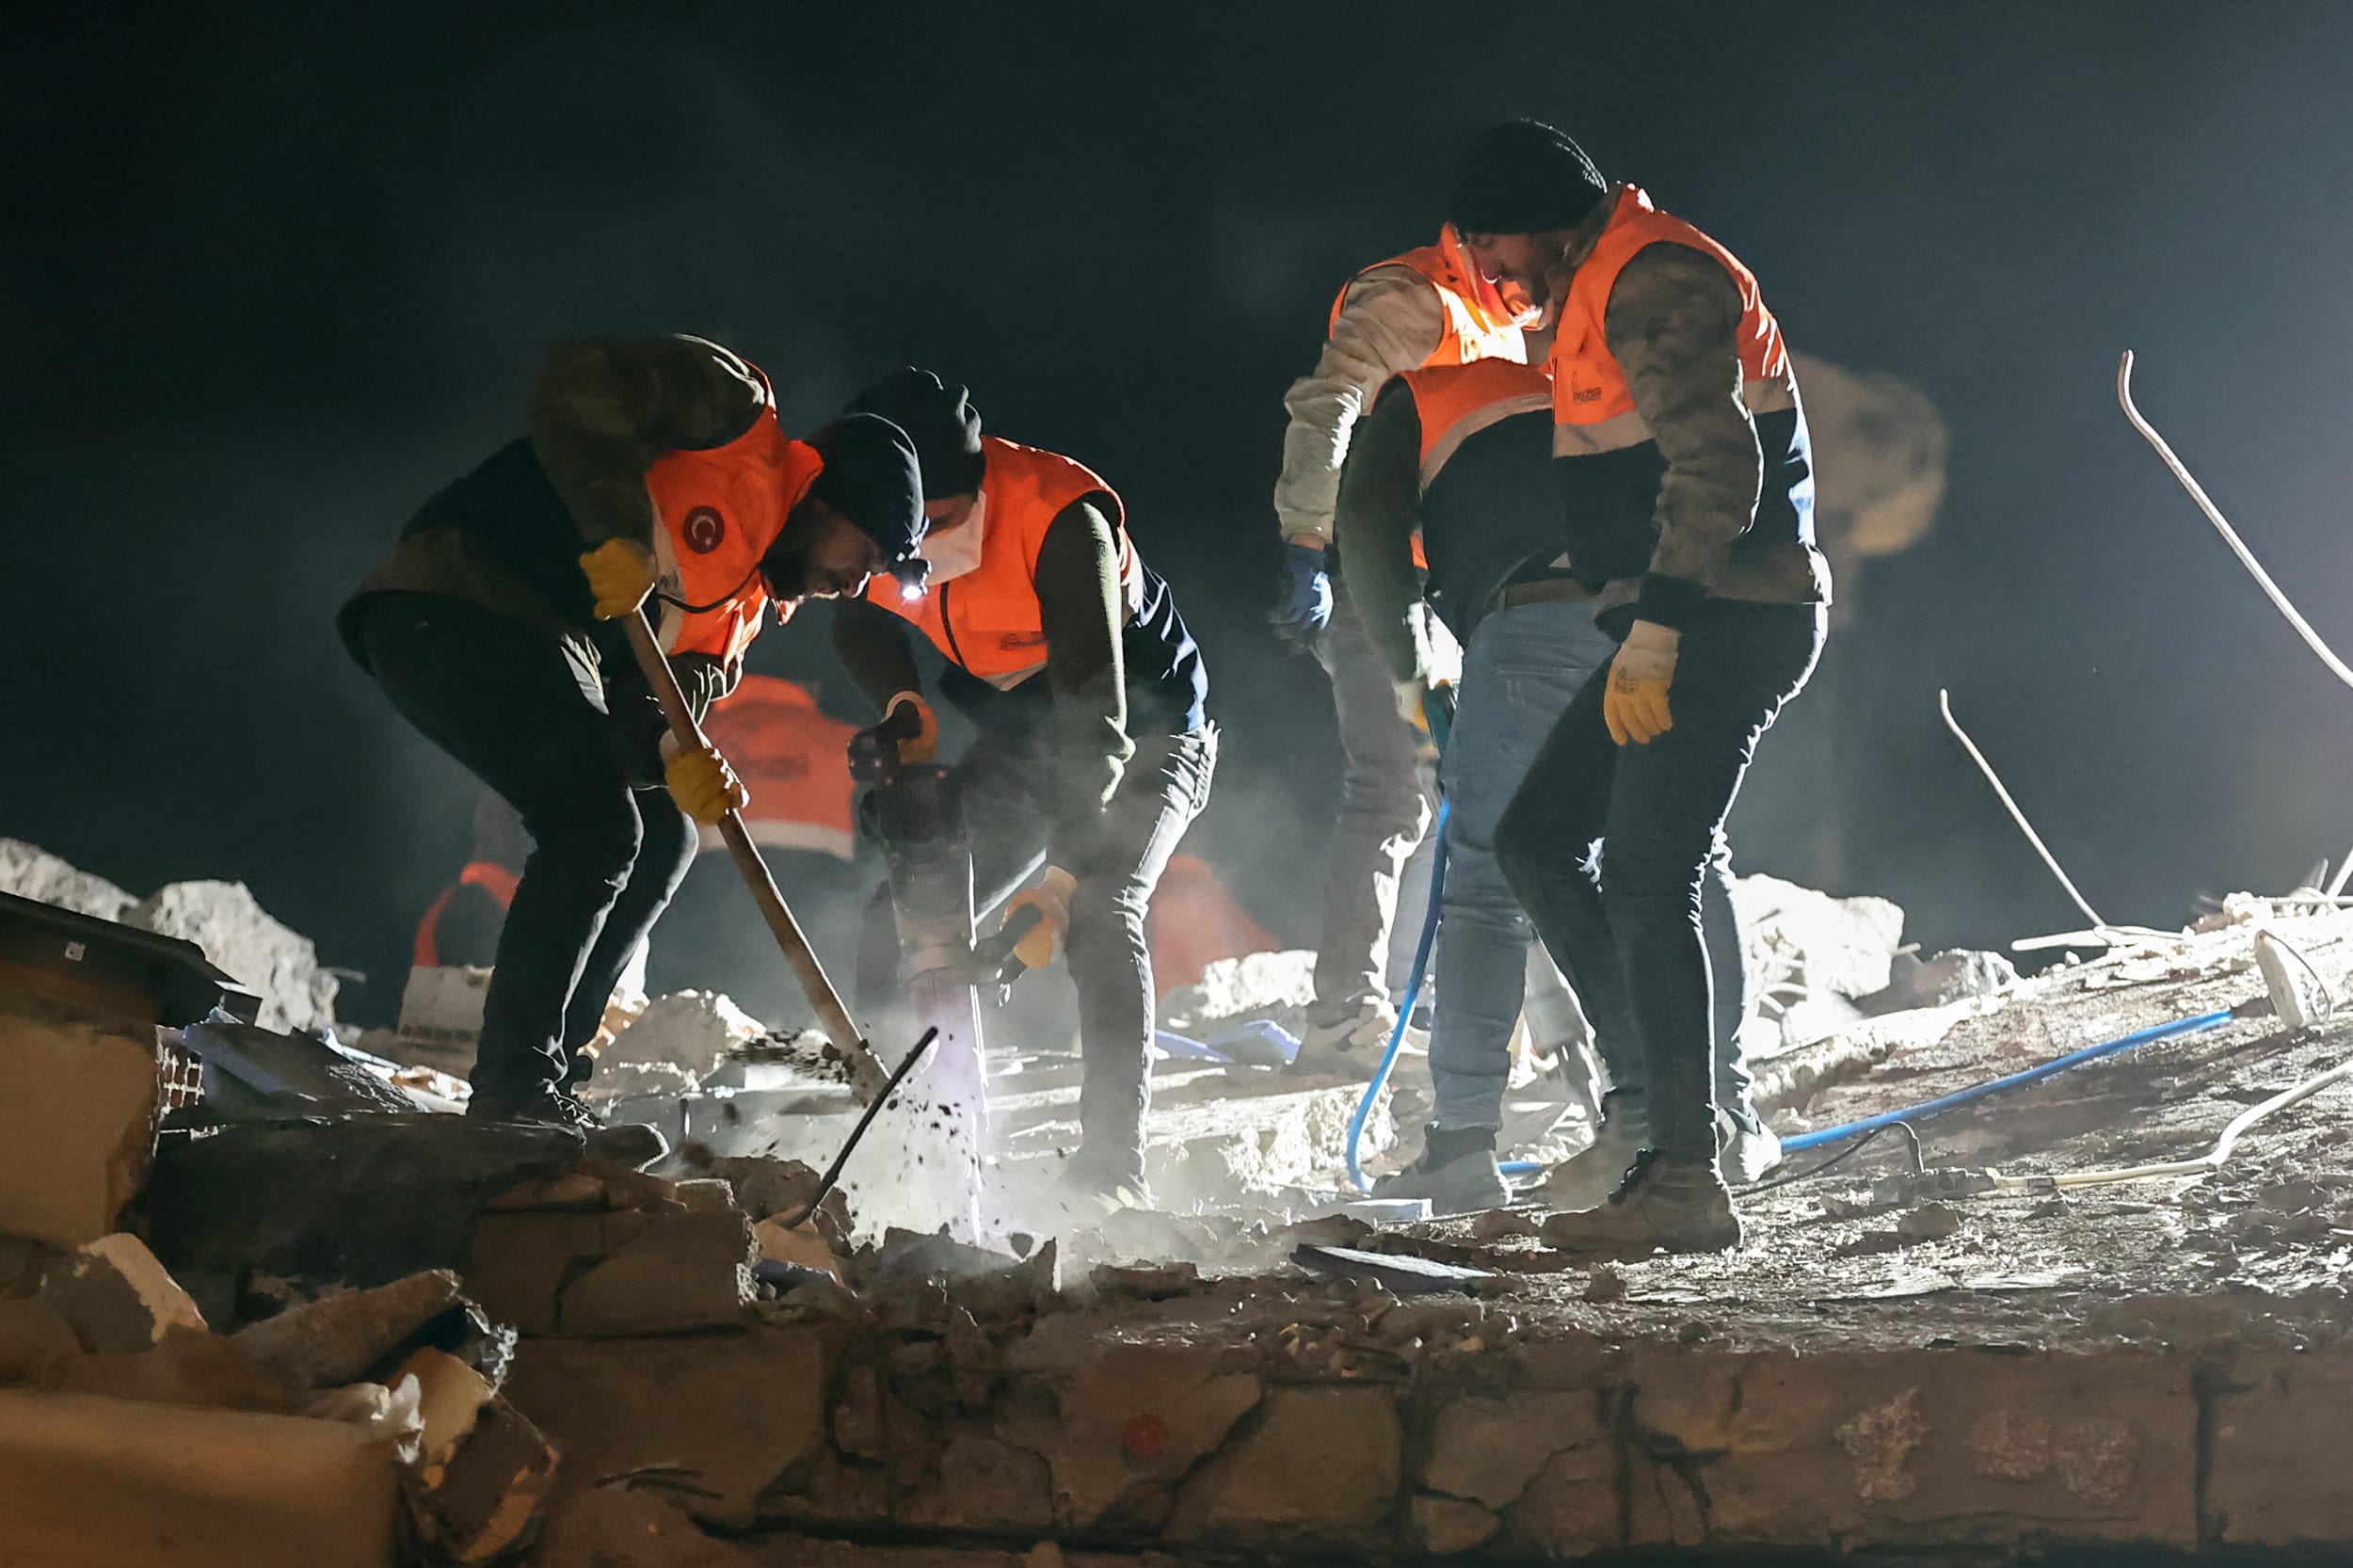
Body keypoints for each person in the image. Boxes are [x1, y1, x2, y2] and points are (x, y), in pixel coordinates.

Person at [340, 334, 927, 1127]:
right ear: (826, 494)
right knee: (595, 825)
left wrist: (671, 758)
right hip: (453, 597)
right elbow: (579, 382)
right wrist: (614, 529)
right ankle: (513, 1092)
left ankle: (553, 1071)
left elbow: (634, 724)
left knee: (665, 833)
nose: (859, 583)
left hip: (551, 646)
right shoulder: (731, 416)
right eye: (868, 554)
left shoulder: (734, 624)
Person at [1444, 120, 1829, 1256]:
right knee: (1535, 838)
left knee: (1650, 878)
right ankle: (1654, 1117)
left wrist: (1656, 628)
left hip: (1727, 619)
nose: (1489, 271)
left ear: (1538, 216)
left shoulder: (1653, 276)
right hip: (1679, 618)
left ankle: (1683, 1173)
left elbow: (1718, 466)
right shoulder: (1593, 292)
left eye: (1492, 242)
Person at [1337, 355, 1765, 1214]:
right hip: (1671, 612)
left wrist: (1407, 668)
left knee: (1486, 886)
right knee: (1687, 855)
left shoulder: (1407, 401)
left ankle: (1461, 1145)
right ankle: (1725, 1115)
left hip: (1539, 614)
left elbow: (1366, 533)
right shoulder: (1552, 384)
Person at [831, 369, 1214, 1216]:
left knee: (1103, 913)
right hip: (1023, 739)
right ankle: (903, 1143)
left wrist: (1061, 882)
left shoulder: (1059, 521)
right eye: (917, 528)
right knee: (895, 919)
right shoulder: (879, 528)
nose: (937, 542)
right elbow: (857, 617)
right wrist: (904, 707)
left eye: (952, 518)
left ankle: (1113, 1167)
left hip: (1141, 735)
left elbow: (1095, 724)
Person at [1271, 201, 1543, 1073]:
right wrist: (1306, 544)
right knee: (1390, 789)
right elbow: (1331, 406)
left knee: (1476, 783)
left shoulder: (1504, 319)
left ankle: (1483, 1006)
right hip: (1375, 570)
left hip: (1452, 578)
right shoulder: (1413, 297)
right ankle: (1342, 1020)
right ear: (1493, 233)